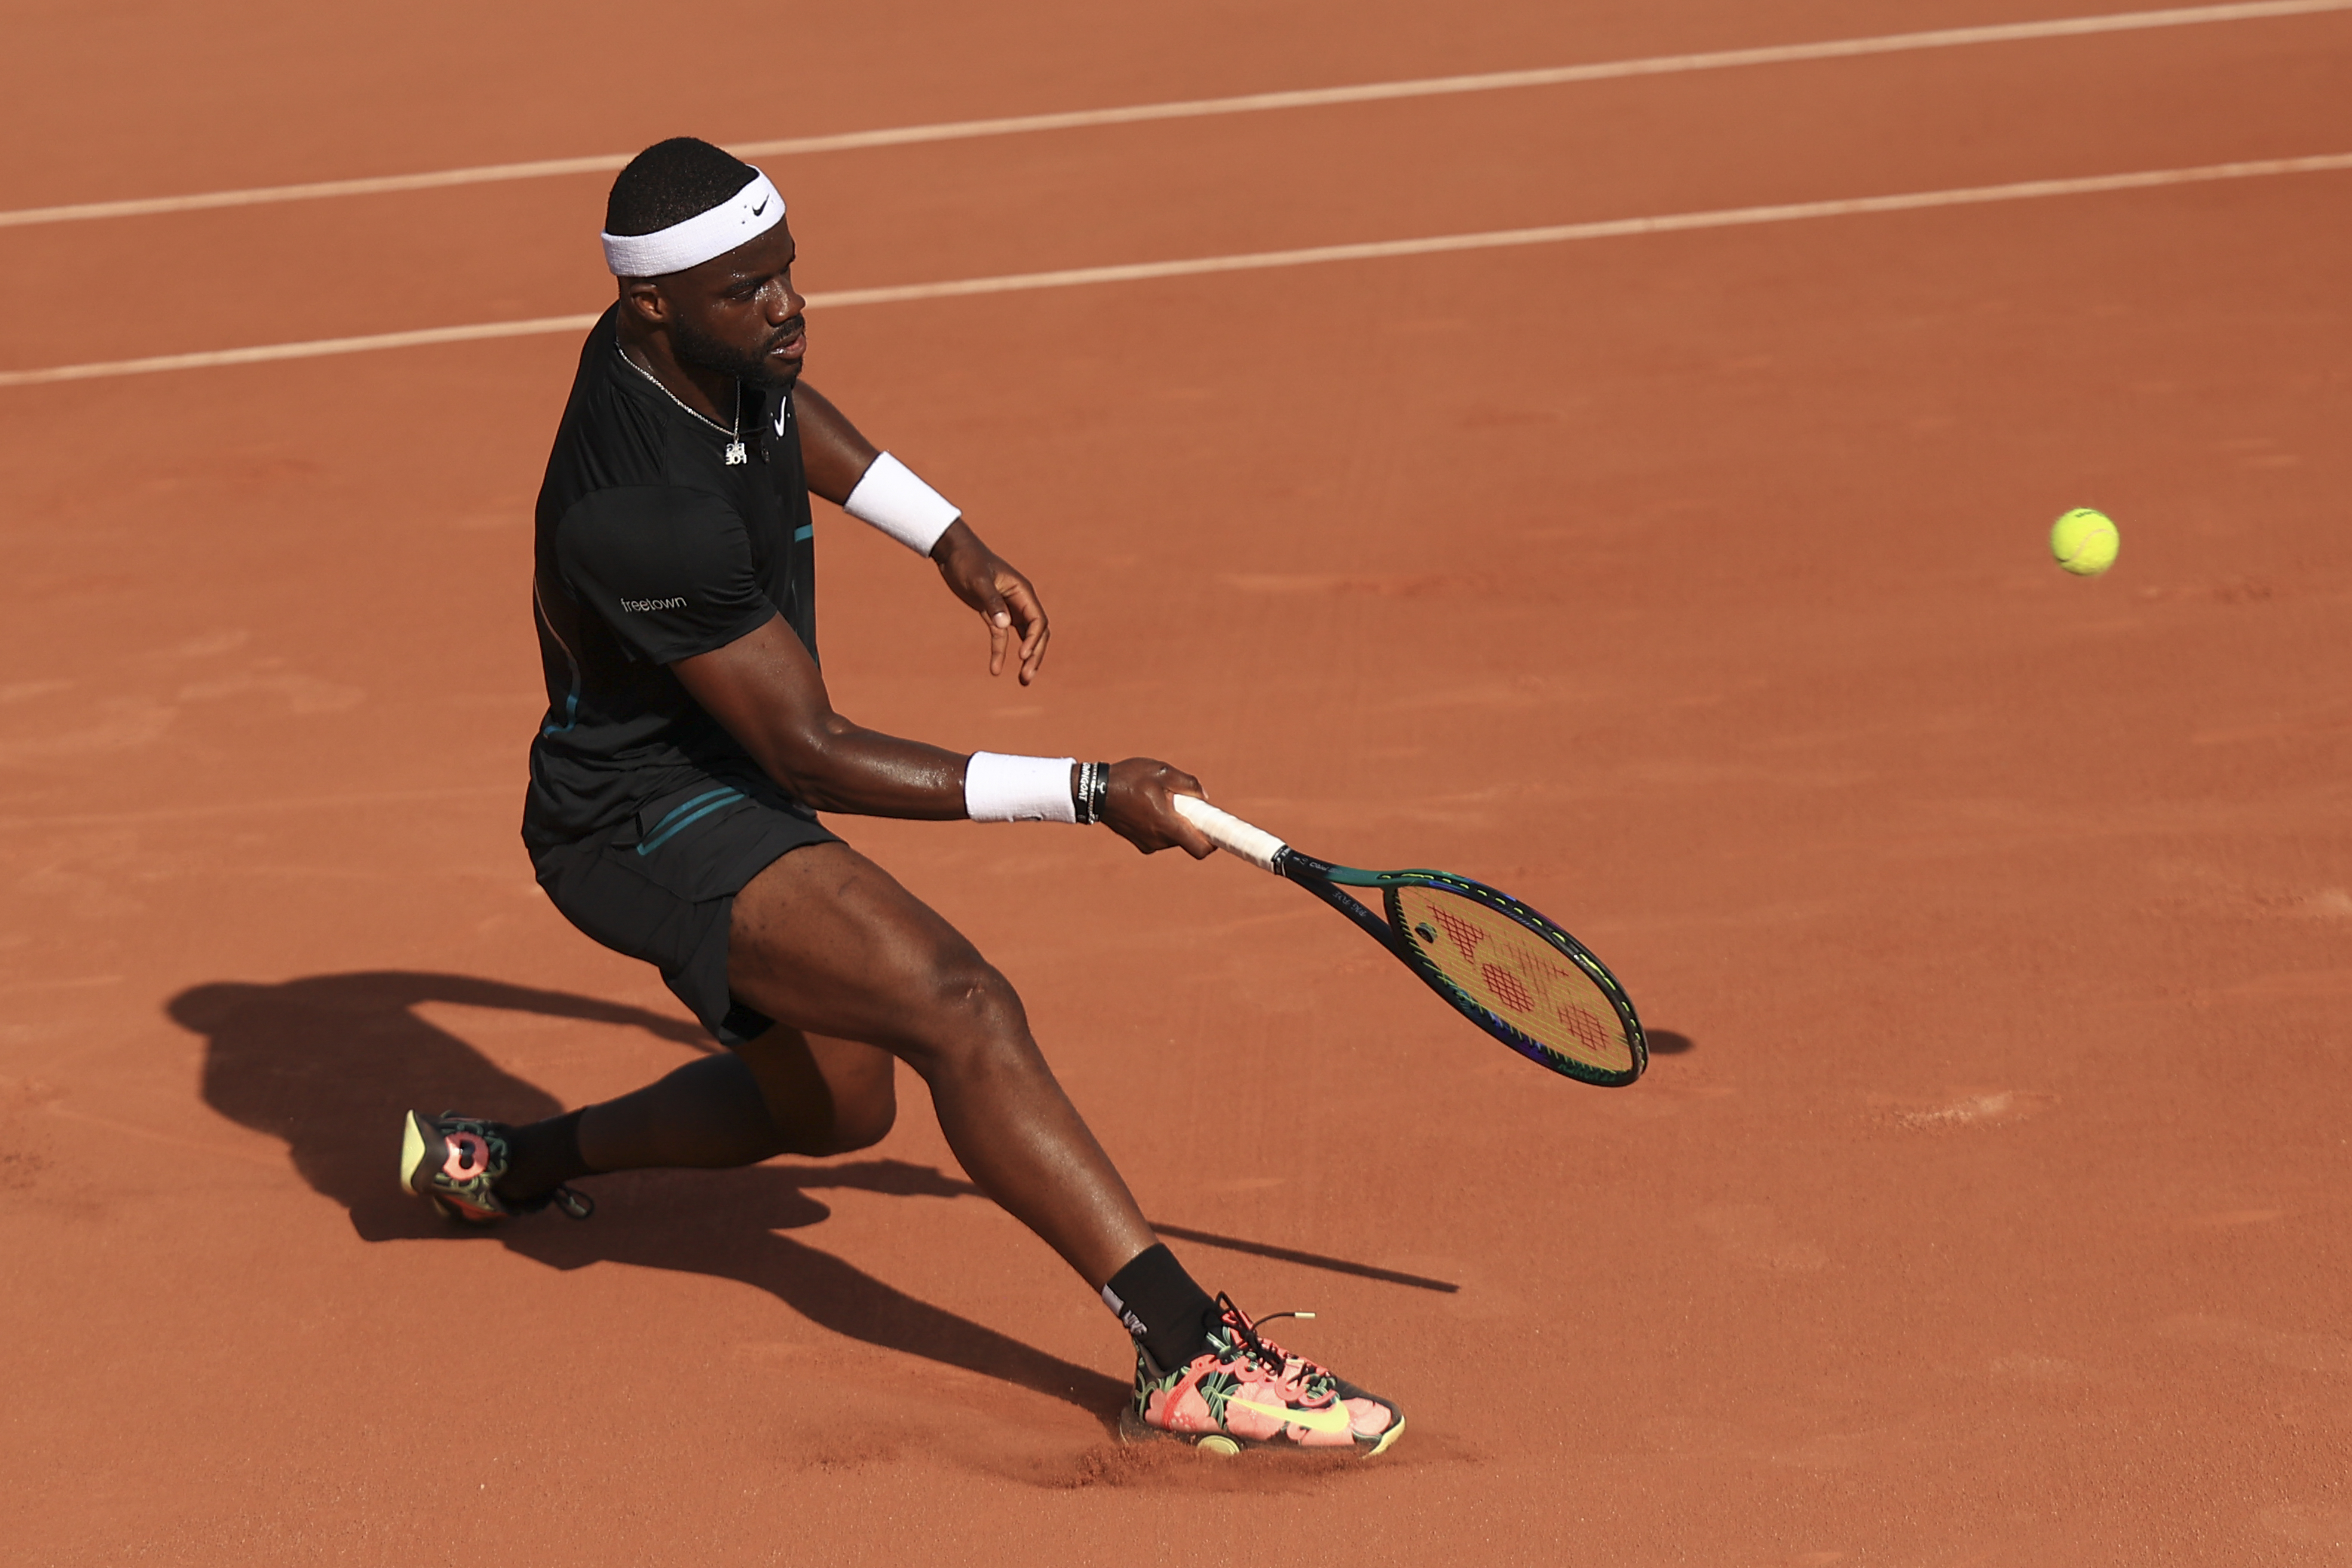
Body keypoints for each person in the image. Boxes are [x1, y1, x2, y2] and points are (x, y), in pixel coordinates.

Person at [397, 137, 1400, 1456]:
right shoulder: (639, 511)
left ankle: (515, 1165)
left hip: (730, 765)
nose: (789, 308)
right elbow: (813, 752)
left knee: (835, 1112)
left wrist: (951, 539)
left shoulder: (690, 346)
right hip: (639, 814)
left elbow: (779, 406)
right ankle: (1187, 1356)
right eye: (749, 290)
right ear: (654, 304)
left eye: (789, 273)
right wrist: (1092, 791)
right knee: (959, 1002)